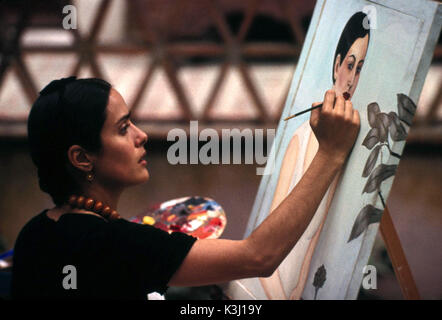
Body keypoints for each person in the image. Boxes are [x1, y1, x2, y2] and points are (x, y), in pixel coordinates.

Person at [11, 75, 359, 299]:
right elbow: (259, 256)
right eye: (122, 128)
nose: (141, 135)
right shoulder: (115, 243)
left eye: (132, 122)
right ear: (82, 158)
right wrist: (330, 153)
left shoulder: (34, 234)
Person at [259, 12, 370, 299]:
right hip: (269, 279)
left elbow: (313, 244)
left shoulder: (350, 141)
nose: (352, 79)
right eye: (349, 64)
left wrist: (299, 291)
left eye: (360, 68)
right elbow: (263, 246)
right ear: (336, 66)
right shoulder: (301, 137)